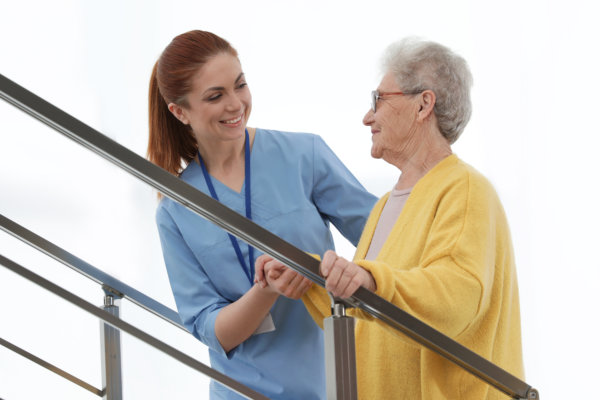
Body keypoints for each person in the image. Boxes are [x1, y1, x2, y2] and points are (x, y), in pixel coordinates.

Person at [256, 38, 525, 399]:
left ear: (423, 105)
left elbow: (456, 298)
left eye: (378, 100)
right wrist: (309, 276)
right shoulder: (386, 204)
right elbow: (370, 314)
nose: (368, 116)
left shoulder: (465, 188)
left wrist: (371, 280)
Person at [147, 30, 377, 400]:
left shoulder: (305, 155)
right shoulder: (176, 210)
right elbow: (212, 329)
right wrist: (264, 291)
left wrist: (355, 273)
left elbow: (386, 236)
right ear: (180, 111)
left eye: (240, 85)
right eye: (215, 96)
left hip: (333, 383)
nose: (236, 104)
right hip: (242, 393)